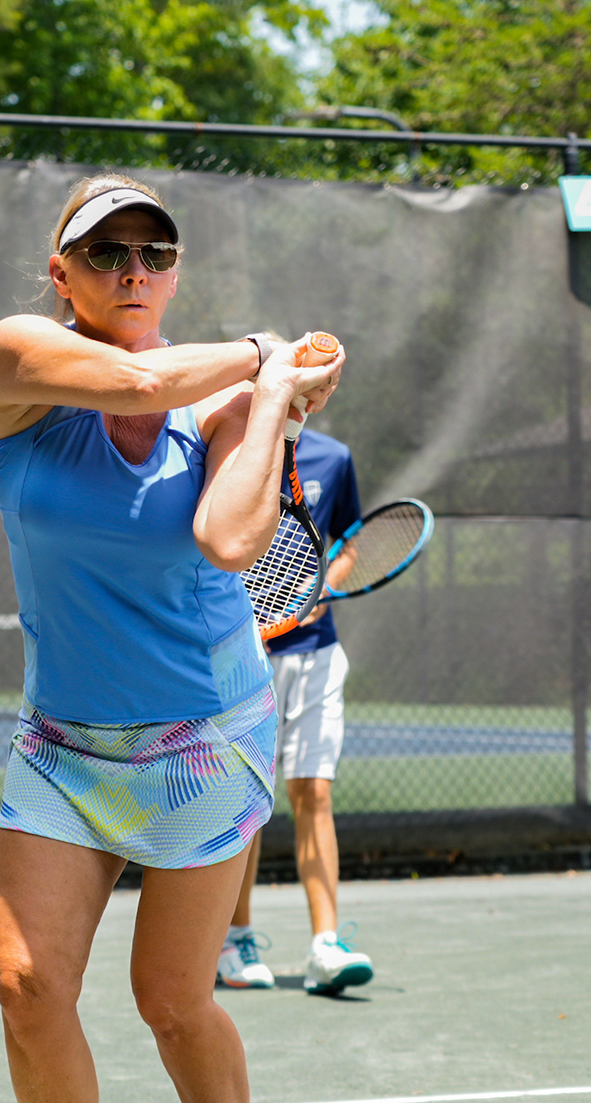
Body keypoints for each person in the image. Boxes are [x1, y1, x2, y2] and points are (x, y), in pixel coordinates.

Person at [0, 173, 344, 1103]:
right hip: (63, 745)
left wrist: (270, 404)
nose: (133, 271)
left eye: (156, 253)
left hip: (206, 737)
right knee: (28, 989)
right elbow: (139, 380)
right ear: (62, 274)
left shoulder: (222, 404)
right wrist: (268, 356)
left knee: (174, 1004)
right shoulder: (17, 354)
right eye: (107, 252)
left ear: (175, 274)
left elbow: (228, 541)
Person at [216, 423, 376, 996]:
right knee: (246, 801)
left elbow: (348, 543)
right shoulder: (224, 448)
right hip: (239, 655)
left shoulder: (334, 457)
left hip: (316, 655)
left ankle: (325, 945)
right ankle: (235, 940)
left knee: (314, 792)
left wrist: (325, 587)